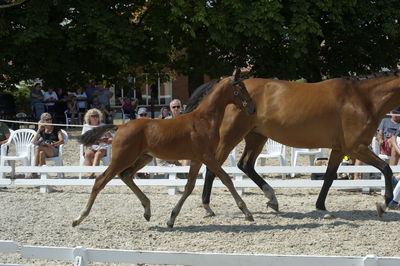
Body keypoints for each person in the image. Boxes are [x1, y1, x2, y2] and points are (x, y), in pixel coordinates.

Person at [354, 109, 400, 179]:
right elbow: (379, 133)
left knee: (394, 138)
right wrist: (379, 138)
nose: (395, 115)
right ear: (391, 113)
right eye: (394, 113)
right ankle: (356, 177)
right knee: (360, 150)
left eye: (397, 114)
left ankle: (390, 175)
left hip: (394, 147)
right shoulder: (385, 121)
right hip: (384, 145)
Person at [82, 108, 113, 179]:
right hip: (91, 146)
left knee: (98, 154)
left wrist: (108, 140)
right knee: (87, 154)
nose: (95, 117)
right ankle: (89, 173)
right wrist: (98, 140)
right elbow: (84, 140)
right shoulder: (86, 126)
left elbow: (111, 138)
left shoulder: (103, 126)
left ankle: (91, 174)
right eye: (93, 116)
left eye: (97, 115)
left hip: (102, 147)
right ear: (89, 117)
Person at [30, 113, 64, 178]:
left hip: (54, 149)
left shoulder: (56, 128)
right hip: (44, 149)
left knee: (38, 148)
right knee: (41, 153)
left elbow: (62, 141)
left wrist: (52, 144)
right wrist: (39, 129)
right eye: (47, 119)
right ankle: (43, 175)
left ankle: (34, 171)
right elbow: (33, 142)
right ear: (43, 121)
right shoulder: (42, 130)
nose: (50, 121)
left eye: (50, 119)